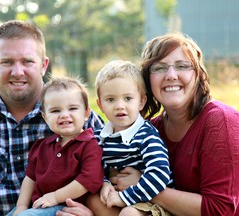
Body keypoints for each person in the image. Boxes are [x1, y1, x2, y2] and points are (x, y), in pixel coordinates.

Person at [56, 32, 239, 216]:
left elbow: (221, 210)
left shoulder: (220, 121)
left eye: (182, 66)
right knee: (94, 202)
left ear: (198, 75)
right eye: (159, 68)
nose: (171, 75)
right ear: (147, 79)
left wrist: (142, 185)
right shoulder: (150, 127)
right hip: (143, 207)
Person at [0, 20, 104, 215]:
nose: (17, 72)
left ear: (43, 65)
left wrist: (91, 213)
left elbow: (108, 179)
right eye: (7, 62)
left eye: (27, 61)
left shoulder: (77, 117)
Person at [86, 60, 172, 216]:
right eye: (111, 100)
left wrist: (125, 198)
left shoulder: (146, 136)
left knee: (129, 214)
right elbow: (96, 168)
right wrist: (105, 184)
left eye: (127, 98)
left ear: (141, 102)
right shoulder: (99, 137)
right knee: (93, 200)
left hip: (150, 199)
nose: (120, 106)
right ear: (100, 106)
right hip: (119, 195)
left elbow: (159, 174)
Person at [10, 76, 104, 216]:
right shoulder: (42, 146)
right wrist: (21, 206)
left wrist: (55, 197)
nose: (64, 115)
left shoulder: (90, 144)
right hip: (40, 205)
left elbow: (88, 180)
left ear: (86, 113)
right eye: (55, 111)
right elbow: (30, 178)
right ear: (45, 117)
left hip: (67, 207)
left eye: (72, 108)